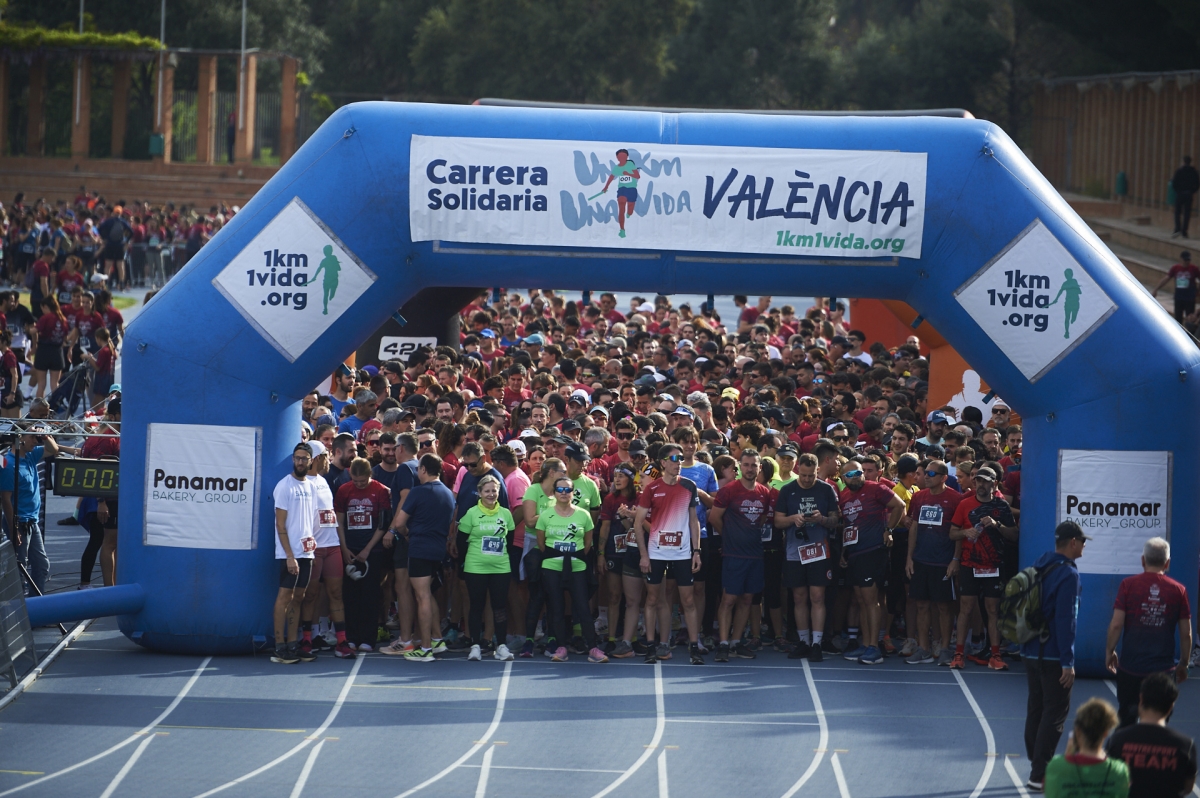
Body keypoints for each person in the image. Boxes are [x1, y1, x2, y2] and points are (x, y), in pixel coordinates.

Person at [1023, 520, 1088, 793]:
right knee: (1056, 713)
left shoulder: (1039, 565)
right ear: (1072, 542)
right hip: (1052, 654)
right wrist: (1068, 661)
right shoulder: (1069, 575)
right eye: (1083, 541)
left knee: (1036, 707)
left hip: (1029, 650)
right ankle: (1040, 773)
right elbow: (1066, 621)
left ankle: (1035, 760)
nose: (1084, 546)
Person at [1105, 537, 1191, 728]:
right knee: (1160, 722)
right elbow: (1186, 634)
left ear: (1143, 560)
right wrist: (1184, 663)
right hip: (1163, 671)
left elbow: (1116, 624)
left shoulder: (1128, 585)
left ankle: (1122, 755)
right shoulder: (1179, 590)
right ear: (1167, 563)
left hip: (1130, 669)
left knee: (1126, 719)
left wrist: (1110, 651)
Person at [635, 442, 705, 665]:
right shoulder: (651, 489)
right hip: (656, 552)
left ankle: (694, 647)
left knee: (688, 600)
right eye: (675, 459)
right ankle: (651, 646)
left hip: (683, 553)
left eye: (681, 459)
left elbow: (694, 521)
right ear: (663, 462)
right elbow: (638, 524)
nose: (679, 464)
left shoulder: (689, 486)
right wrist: (644, 555)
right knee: (653, 599)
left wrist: (696, 551)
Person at [387, 453, 455, 662]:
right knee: (429, 594)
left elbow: (399, 523)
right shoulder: (448, 494)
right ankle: (437, 639)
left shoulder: (417, 492)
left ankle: (425, 649)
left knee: (422, 597)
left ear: (424, 470)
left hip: (419, 549)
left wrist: (408, 534)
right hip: (438, 551)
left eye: (418, 469)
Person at [837, 457, 906, 665]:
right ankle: (866, 644)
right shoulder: (844, 496)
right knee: (860, 600)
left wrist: (889, 530)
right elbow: (847, 525)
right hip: (855, 553)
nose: (856, 476)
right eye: (850, 474)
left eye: (858, 472)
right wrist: (843, 551)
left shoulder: (876, 488)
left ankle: (875, 647)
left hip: (873, 550)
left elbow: (899, 505)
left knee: (871, 599)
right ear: (843, 478)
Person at [948, 465, 1017, 670]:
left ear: (994, 484)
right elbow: (952, 533)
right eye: (978, 480)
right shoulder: (964, 504)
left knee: (992, 609)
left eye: (986, 481)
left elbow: (1014, 535)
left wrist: (996, 524)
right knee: (966, 608)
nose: (981, 484)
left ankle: (995, 654)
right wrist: (965, 533)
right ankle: (959, 653)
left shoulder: (1002, 506)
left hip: (994, 565)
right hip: (970, 564)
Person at [774, 452, 840, 663]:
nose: (807, 479)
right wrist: (794, 519)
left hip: (819, 551)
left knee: (817, 597)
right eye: (803, 475)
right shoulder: (787, 490)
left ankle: (817, 644)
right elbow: (777, 521)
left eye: (811, 475)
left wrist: (822, 519)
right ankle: (803, 641)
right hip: (794, 552)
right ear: (797, 471)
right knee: (799, 597)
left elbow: (836, 519)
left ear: (817, 471)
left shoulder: (826, 489)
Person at [710, 449, 774, 662]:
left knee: (747, 599)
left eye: (753, 465)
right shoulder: (728, 490)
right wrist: (728, 537)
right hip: (733, 554)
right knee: (728, 599)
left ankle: (736, 642)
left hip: (755, 554)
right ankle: (723, 643)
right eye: (745, 465)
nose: (749, 469)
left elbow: (763, 519)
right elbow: (714, 517)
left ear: (759, 467)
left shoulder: (765, 492)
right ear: (740, 467)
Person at [536, 475, 607, 663]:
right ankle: (560, 647)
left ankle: (593, 647)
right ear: (554, 492)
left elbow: (588, 542)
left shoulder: (583, 515)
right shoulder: (545, 515)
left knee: (583, 607)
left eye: (568, 489)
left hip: (577, 566)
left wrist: (573, 555)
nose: (564, 493)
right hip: (552, 566)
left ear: (573, 492)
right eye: (560, 489)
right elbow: (541, 544)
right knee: (556, 608)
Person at [297, 440, 356, 660]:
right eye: (326, 454)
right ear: (318, 457)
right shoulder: (302, 483)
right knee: (310, 595)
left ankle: (341, 640)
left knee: (335, 593)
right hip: (314, 548)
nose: (329, 458)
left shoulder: (322, 480)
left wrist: (341, 545)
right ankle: (306, 639)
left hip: (331, 546)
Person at [904, 458, 962, 665]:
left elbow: (958, 532)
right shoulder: (918, 497)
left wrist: (955, 559)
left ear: (944, 477)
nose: (926, 477)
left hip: (943, 562)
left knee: (944, 607)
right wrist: (909, 558)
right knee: (921, 605)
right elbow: (914, 527)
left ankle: (945, 648)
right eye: (925, 473)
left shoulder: (956, 499)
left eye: (931, 474)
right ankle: (923, 648)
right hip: (921, 559)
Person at [454, 474, 516, 661]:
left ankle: (502, 646)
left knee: (499, 607)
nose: (491, 494)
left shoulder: (506, 514)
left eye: (494, 491)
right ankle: (475, 645)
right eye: (487, 491)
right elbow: (461, 541)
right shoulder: (471, 513)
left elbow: (510, 541)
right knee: (476, 606)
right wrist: (464, 564)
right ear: (480, 493)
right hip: (476, 567)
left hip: (500, 568)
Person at [1106, 672, 1197, 798]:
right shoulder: (1186, 745)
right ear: (1171, 707)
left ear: (1141, 699)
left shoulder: (1117, 740)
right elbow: (1187, 788)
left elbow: (1107, 779)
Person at [335, 457, 392, 651]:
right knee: (350, 595)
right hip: (350, 549)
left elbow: (383, 524)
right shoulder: (344, 491)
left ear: (370, 475)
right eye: (355, 481)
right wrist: (344, 548)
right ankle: (351, 636)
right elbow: (339, 522)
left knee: (370, 594)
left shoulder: (381, 490)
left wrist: (368, 549)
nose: (359, 485)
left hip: (372, 550)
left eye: (363, 481)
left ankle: (368, 637)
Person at [270, 442, 319, 664]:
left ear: (310, 461)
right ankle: (280, 646)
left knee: (299, 597)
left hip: (306, 553)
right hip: (289, 554)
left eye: (304, 458)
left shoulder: (311, 486)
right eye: (297, 458)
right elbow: (280, 525)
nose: (300, 462)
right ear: (293, 460)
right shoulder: (284, 486)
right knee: (285, 597)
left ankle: (292, 643)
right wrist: (290, 555)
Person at [1043, 698, 1129, 798]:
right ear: (1105, 733)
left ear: (1078, 732)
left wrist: (1067, 756)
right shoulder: (1119, 771)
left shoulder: (1055, 766)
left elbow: (1050, 792)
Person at [599, 463, 640, 657]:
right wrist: (600, 554)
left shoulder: (639, 498)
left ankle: (631, 638)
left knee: (632, 598)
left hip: (633, 552)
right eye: (615, 475)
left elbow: (635, 526)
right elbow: (605, 527)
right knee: (614, 596)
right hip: (614, 552)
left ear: (631, 479)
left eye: (621, 476)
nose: (616, 479)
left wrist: (627, 518)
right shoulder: (610, 499)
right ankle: (612, 637)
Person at [32, 296, 69, 398]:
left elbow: (34, 331)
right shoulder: (62, 319)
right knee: (54, 384)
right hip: (57, 352)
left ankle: (39, 409)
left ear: (45, 306)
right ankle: (55, 407)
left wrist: (29, 328)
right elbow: (65, 338)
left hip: (43, 351)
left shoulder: (45, 318)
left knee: (41, 385)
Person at [1153, 251, 1200, 324]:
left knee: (1190, 319)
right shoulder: (1175, 268)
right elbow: (1166, 279)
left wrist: (1198, 290)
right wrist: (1156, 289)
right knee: (1178, 318)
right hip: (1179, 297)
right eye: (1185, 260)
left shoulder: (1194, 269)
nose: (1187, 262)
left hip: (1190, 298)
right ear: (1181, 259)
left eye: (1188, 260)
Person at [1171, 155, 1199, 238]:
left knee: (1177, 212)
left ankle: (1177, 229)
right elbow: (1197, 184)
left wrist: (1178, 191)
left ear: (1183, 161)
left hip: (1180, 194)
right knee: (1187, 213)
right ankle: (1184, 231)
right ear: (1190, 162)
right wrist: (1192, 191)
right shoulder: (1194, 172)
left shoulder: (1179, 171)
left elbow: (1174, 183)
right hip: (1189, 194)